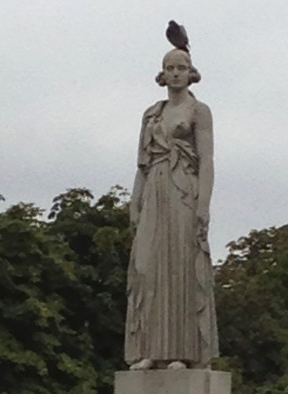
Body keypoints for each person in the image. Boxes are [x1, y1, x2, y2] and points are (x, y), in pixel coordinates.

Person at [125, 40, 218, 370]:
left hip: (184, 191)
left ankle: (183, 352)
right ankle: (150, 350)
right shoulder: (151, 114)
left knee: (180, 268)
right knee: (147, 269)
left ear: (190, 74)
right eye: (170, 68)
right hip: (154, 190)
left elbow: (207, 161)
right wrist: (134, 201)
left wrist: (203, 205)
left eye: (181, 68)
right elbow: (142, 164)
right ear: (162, 75)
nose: (175, 73)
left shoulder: (198, 111)